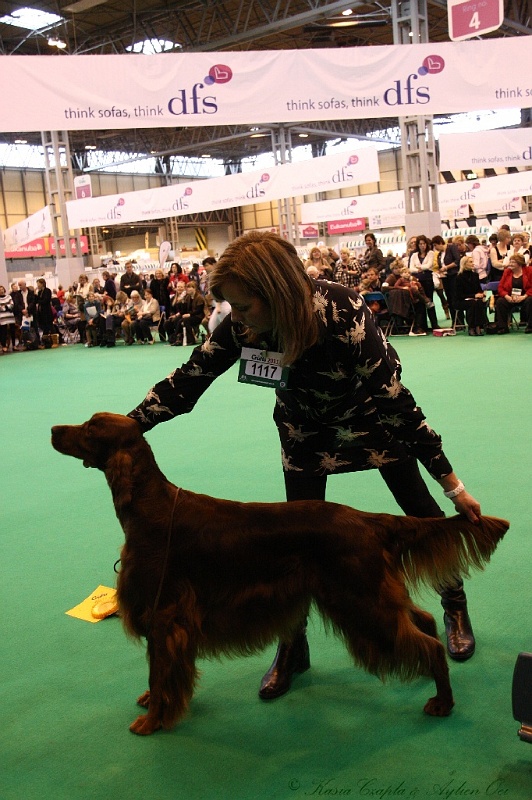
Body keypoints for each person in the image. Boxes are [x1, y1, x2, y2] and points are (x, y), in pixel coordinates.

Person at [128, 231, 483, 702]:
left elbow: (397, 403)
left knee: (422, 514)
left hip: (370, 418)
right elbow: (188, 381)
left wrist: (453, 485)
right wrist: (127, 428)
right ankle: (293, 647)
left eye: (245, 306)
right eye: (230, 307)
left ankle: (454, 607)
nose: (237, 318)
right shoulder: (242, 326)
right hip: (304, 431)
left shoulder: (343, 313)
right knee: (294, 547)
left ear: (276, 293)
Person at [494, 254, 532, 334]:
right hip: (511, 297)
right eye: (510, 262)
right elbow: (500, 288)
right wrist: (507, 296)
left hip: (525, 297)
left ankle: (530, 326)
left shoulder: (529, 271)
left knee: (530, 300)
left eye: (513, 262)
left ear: (520, 263)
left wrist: (524, 296)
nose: (510, 264)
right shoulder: (507, 272)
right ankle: (503, 327)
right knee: (500, 301)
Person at [409, 235, 438, 330]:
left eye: (424, 243)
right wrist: (420, 269)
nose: (422, 246)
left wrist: (418, 268)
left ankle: (434, 325)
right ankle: (423, 326)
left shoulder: (431, 253)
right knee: (420, 303)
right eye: (420, 244)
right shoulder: (413, 255)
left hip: (428, 280)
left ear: (426, 244)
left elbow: (429, 265)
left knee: (429, 301)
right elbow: (411, 268)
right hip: (418, 282)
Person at [454, 256, 488, 336]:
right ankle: (472, 327)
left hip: (474, 299)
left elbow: (479, 289)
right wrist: (474, 296)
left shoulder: (475, 275)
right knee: (473, 303)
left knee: (478, 302)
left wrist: (481, 294)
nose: (473, 264)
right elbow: (459, 295)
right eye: (471, 262)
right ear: (464, 264)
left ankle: (478, 326)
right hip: (460, 300)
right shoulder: (459, 277)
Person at [0, 285, 16, 353]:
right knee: (3, 332)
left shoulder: (9, 297)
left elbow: (12, 305)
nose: (1, 290)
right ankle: (4, 346)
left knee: (13, 331)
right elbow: (0, 308)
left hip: (10, 317)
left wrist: (5, 307)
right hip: (2, 318)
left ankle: (14, 345)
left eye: (2, 289)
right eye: (0, 290)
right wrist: (6, 307)